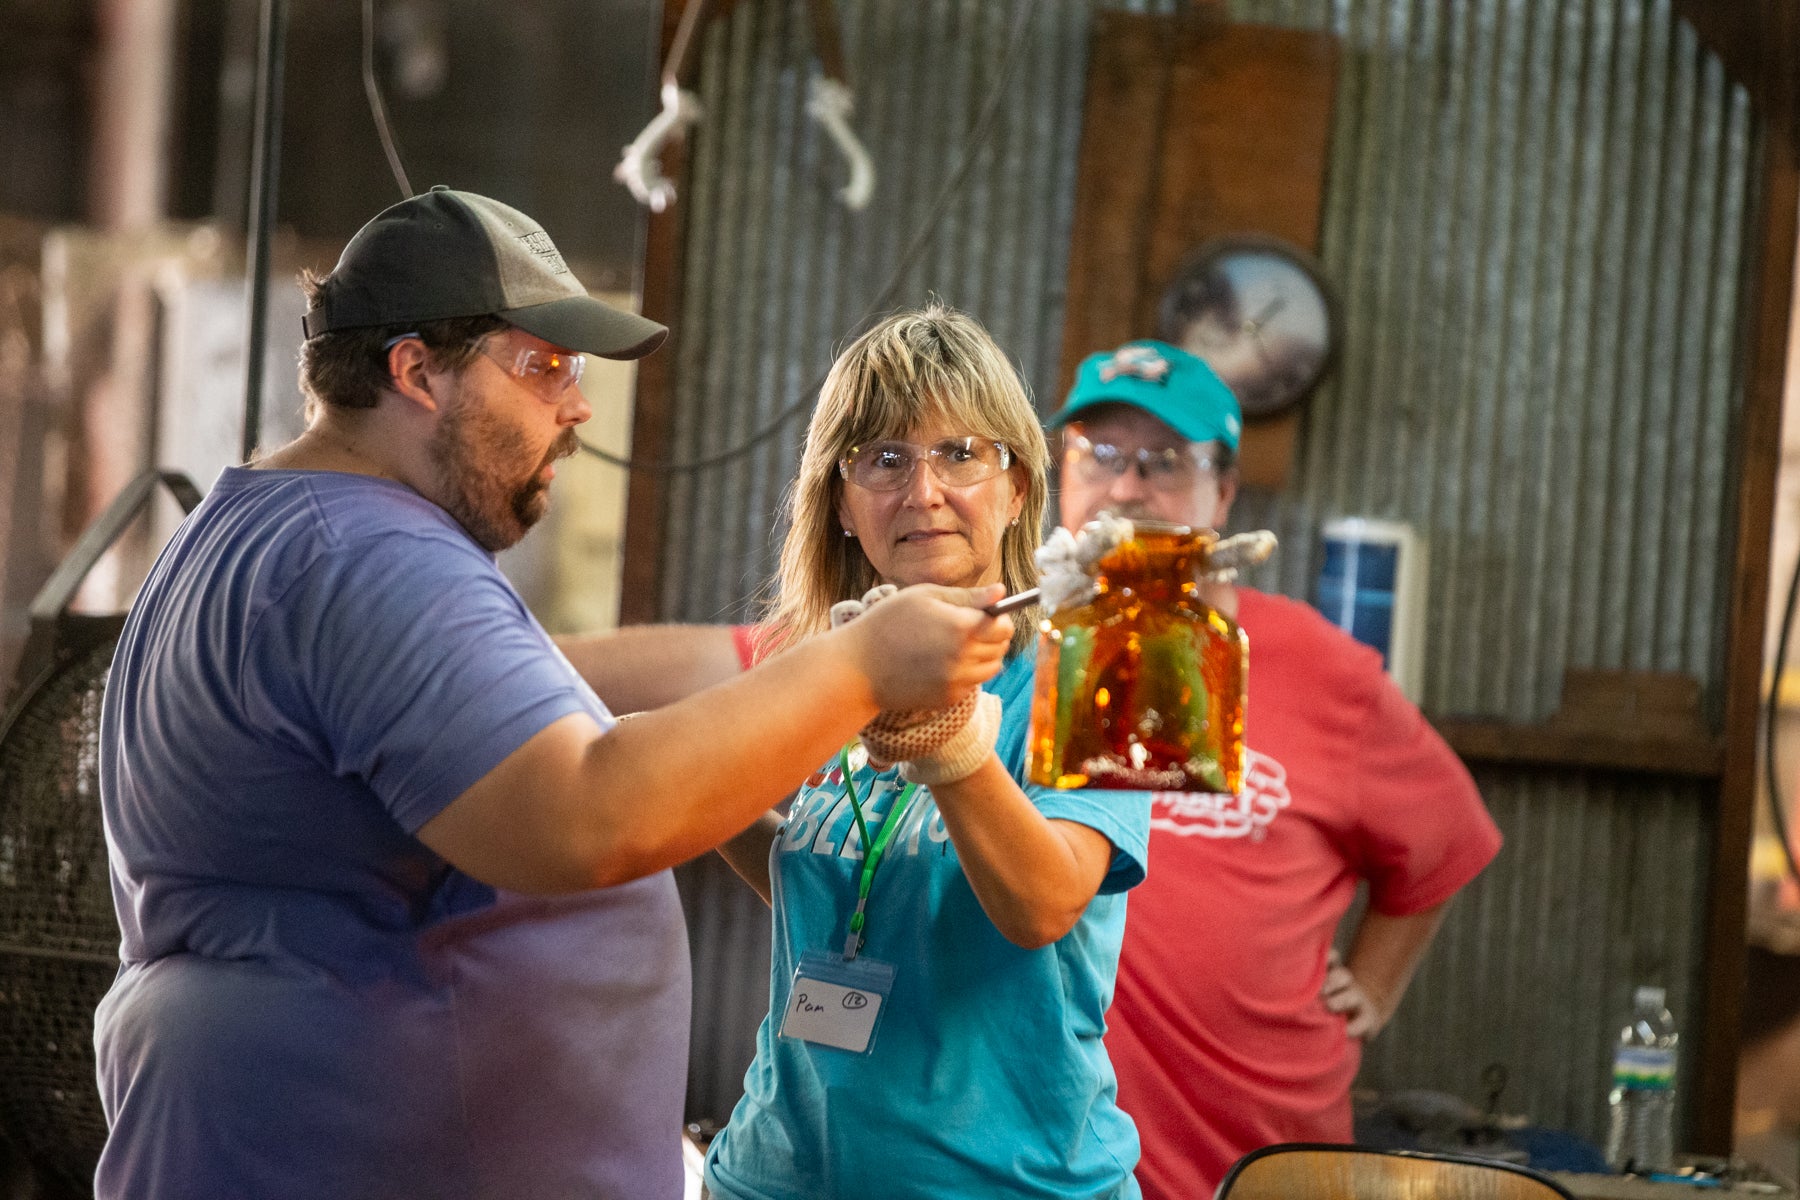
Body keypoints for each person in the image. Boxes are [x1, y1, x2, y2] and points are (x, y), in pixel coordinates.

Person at [93, 188, 1012, 1200]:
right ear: (415, 373)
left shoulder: (264, 531)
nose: (577, 409)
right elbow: (583, 817)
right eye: (542, 367)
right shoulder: (368, 557)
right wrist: (861, 666)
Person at [697, 305, 1152, 1199]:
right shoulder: (821, 661)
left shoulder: (1102, 666)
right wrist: (693, 800)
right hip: (772, 1176)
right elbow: (821, 874)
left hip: (1008, 1183)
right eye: (885, 459)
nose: (923, 491)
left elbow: (1045, 904)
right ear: (839, 500)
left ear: (1017, 487)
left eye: (961, 453)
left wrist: (949, 744)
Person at [1050, 339, 1502, 1199]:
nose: (1127, 487)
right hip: (1055, 1160)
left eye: (1164, 463)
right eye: (1100, 456)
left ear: (1222, 493)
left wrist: (1373, 988)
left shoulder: (1314, 665)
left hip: (1260, 1159)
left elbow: (1449, 841)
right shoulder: (1002, 643)